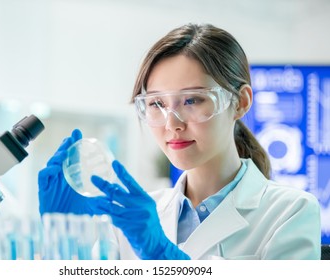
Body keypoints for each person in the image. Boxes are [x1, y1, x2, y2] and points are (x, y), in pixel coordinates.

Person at [38, 23, 321, 260]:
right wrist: (65, 240)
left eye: (192, 100)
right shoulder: (130, 218)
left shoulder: (290, 212)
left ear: (240, 102)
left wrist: (161, 253)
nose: (172, 122)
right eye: (157, 103)